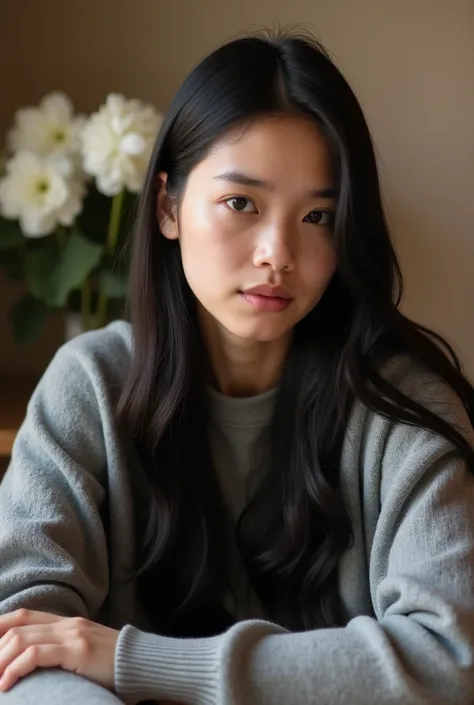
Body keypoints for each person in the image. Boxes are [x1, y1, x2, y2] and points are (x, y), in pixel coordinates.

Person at [0, 28, 473, 705]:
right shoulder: (90, 386)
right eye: (241, 203)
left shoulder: (402, 409)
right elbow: (19, 646)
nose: (278, 252)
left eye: (317, 216)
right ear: (168, 205)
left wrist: (137, 660)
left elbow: (451, 658)